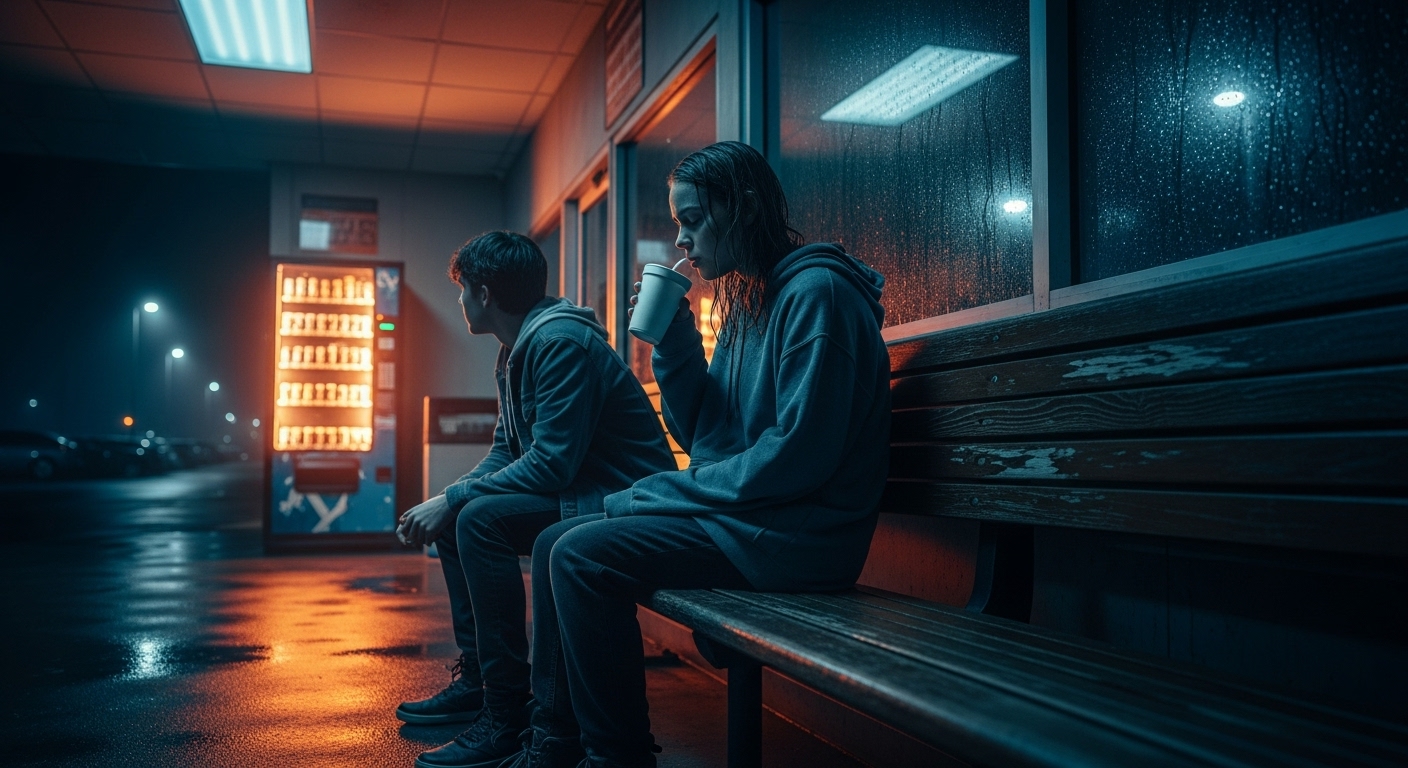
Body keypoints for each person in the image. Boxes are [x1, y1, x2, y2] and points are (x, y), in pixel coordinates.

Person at [498, 141, 891, 768]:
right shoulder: (746, 300)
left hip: (797, 536)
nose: (681, 240)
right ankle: (552, 741)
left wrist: (656, 493)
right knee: (555, 540)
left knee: (576, 554)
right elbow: (706, 436)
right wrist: (676, 346)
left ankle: (615, 757)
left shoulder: (818, 296)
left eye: (692, 220)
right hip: (748, 521)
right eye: (678, 222)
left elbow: (798, 458)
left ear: (745, 208)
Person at [394, 231, 676, 768]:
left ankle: (505, 713)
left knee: (477, 519)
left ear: (483, 293)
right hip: (580, 490)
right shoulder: (516, 348)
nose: (459, 301)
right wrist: (446, 500)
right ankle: (483, 681)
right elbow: (507, 450)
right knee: (462, 517)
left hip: (622, 500)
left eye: (461, 291)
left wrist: (455, 499)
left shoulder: (557, 343)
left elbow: (551, 463)